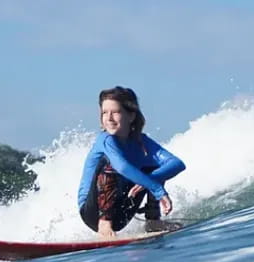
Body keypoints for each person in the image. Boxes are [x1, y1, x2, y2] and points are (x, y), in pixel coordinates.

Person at [78, 86, 186, 238]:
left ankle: (152, 221)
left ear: (131, 116)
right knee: (111, 163)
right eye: (104, 113)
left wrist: (150, 180)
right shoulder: (105, 139)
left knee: (154, 167)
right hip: (93, 213)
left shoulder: (142, 142)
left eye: (115, 112)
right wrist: (157, 189)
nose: (108, 118)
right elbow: (121, 166)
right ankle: (104, 224)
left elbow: (177, 163)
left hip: (122, 213)